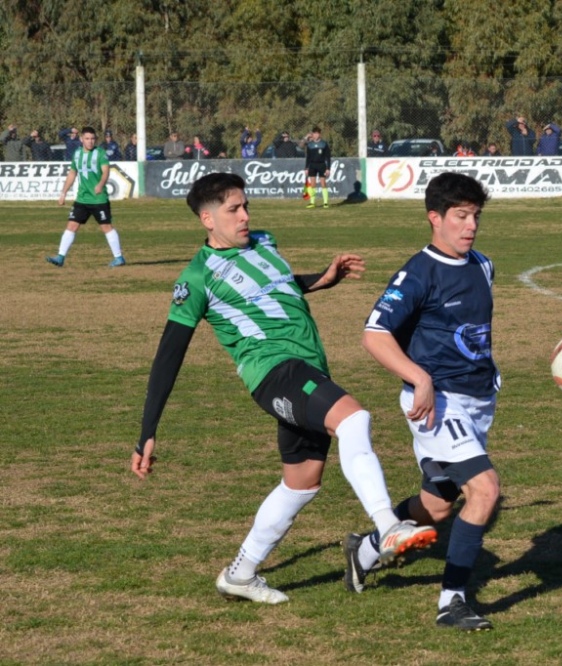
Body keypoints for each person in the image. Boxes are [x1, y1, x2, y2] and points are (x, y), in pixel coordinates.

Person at [130, 172, 437, 605]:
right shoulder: (197, 278)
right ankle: (388, 526)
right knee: (354, 418)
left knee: (302, 482)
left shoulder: (263, 243)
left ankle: (240, 573)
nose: (245, 216)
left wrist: (322, 279)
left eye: (246, 206)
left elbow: (277, 287)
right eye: (233, 209)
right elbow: (168, 355)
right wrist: (147, 429)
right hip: (275, 371)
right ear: (206, 219)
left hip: (306, 367)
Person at [352, 172, 499, 631]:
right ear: (434, 218)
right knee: (485, 490)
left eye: (475, 215)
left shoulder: (483, 265)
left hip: (477, 402)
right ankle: (451, 603)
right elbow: (374, 335)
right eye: (460, 216)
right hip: (437, 404)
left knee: (436, 507)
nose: (470, 225)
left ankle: (365, 548)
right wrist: (419, 378)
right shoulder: (417, 272)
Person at [45, 126, 127, 268]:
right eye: (87, 139)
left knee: (106, 227)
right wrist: (63, 192)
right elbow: (72, 173)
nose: (90, 142)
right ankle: (60, 257)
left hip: (98, 199)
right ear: (82, 139)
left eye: (93, 139)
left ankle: (119, 258)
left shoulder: (100, 153)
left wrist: (100, 184)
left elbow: (106, 172)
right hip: (82, 198)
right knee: (71, 225)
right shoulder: (77, 154)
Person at [303, 126, 331, 209]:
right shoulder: (310, 145)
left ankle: (325, 202)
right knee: (313, 184)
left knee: (323, 183)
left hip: (321, 165)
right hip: (312, 165)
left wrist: (328, 168)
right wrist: (306, 168)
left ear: (320, 134)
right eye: (314, 133)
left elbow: (328, 157)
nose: (315, 135)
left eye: (317, 133)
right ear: (312, 134)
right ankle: (312, 202)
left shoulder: (324, 144)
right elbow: (308, 157)